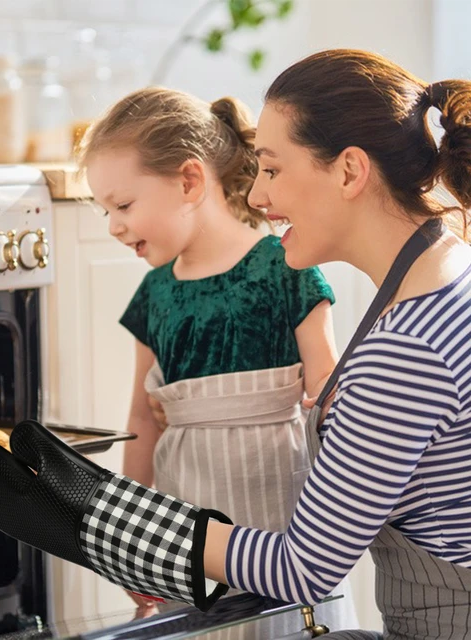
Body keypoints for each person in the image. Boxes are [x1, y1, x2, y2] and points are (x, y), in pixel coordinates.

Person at [0, 49, 471, 640]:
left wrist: (99, 515)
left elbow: (304, 568)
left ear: (348, 171)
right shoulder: (448, 273)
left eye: (272, 168)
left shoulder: (406, 350)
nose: (259, 196)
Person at [76, 86, 357, 633]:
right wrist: (136, 538)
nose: (113, 225)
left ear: (189, 181)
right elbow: (141, 420)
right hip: (189, 528)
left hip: (285, 519)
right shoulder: (153, 296)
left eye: (124, 205)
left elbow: (329, 388)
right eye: (105, 209)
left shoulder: (284, 265)